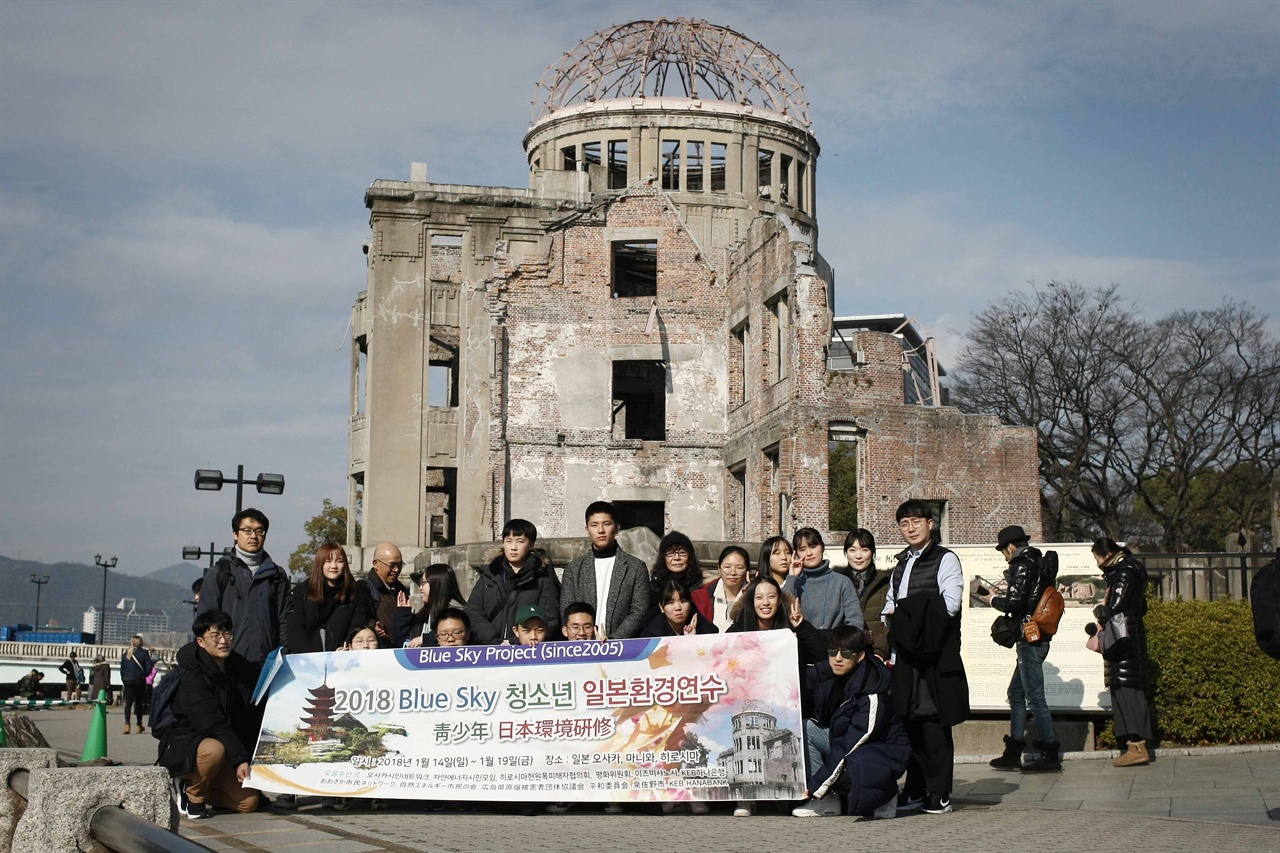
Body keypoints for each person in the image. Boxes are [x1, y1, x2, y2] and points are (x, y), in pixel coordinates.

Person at [882, 500, 970, 815]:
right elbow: (888, 608)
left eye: (916, 521)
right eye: (904, 523)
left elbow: (949, 605)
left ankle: (940, 792)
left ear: (930, 523)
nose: (910, 528)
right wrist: (897, 616)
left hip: (935, 653)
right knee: (909, 722)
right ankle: (916, 787)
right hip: (904, 654)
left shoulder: (946, 559)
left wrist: (904, 614)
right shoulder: (901, 564)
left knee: (934, 724)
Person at [792, 626, 911, 819]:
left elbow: (853, 742)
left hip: (882, 753)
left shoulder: (872, 690)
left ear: (861, 656)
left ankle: (887, 796)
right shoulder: (827, 674)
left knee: (851, 763)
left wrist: (815, 785)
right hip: (853, 743)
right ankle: (828, 800)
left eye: (846, 653)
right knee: (807, 729)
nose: (838, 658)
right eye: (833, 652)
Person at [158, 610, 262, 818]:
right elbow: (211, 724)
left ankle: (204, 787)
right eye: (215, 636)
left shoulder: (238, 670)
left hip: (223, 747)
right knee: (213, 749)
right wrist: (240, 758)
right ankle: (192, 793)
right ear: (201, 641)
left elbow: (245, 717)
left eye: (227, 634)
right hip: (189, 745)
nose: (223, 641)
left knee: (249, 802)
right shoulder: (192, 677)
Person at [979, 525, 1060, 773]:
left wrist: (990, 599)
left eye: (1004, 551)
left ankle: (1049, 754)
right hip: (1037, 635)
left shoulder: (1021, 564)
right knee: (1016, 694)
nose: (1005, 556)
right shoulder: (1039, 562)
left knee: (1035, 698)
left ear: (1011, 547)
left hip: (1029, 637)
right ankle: (1013, 751)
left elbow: (1015, 602)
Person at [197, 508, 291, 664]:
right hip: (226, 664)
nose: (253, 536)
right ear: (235, 534)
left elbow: (284, 621)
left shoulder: (276, 576)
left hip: (266, 664)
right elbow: (206, 621)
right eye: (247, 530)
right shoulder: (220, 573)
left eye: (259, 531)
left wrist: (284, 655)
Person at [1091, 538, 1154, 767]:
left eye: (1098, 557)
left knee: (1127, 690)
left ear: (1107, 554)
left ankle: (1138, 747)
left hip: (1123, 637)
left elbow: (1116, 607)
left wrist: (1101, 611)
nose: (1098, 563)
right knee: (1123, 688)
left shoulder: (1125, 571)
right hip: (1129, 634)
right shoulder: (1127, 570)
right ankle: (1132, 746)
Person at [560, 501, 649, 639]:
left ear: (617, 527)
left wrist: (613, 640)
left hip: (620, 647)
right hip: (582, 645)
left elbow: (639, 611)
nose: (601, 530)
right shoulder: (574, 569)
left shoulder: (636, 567)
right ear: (587, 529)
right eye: (594, 525)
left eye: (606, 524)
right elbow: (567, 610)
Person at [467, 519, 561, 644]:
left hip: (526, 651)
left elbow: (550, 620)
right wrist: (494, 642)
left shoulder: (541, 579)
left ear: (531, 544)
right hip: (490, 650)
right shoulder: (490, 575)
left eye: (520, 541)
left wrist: (513, 641)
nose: (513, 547)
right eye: (509, 541)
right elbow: (473, 613)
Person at [286, 543, 373, 654]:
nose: (334, 566)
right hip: (307, 659)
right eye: (328, 561)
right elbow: (295, 631)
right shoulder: (302, 592)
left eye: (339, 561)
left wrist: (343, 650)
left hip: (342, 658)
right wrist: (315, 657)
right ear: (320, 563)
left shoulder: (355, 593)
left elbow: (356, 629)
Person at [783, 528, 863, 631]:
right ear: (796, 554)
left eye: (813, 546)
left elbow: (855, 622)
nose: (809, 553)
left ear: (822, 547)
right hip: (802, 644)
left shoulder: (842, 582)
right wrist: (792, 577)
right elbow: (783, 615)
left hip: (836, 645)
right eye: (802, 549)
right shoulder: (794, 583)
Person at [845, 529, 891, 659]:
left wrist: (880, 652)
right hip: (846, 655)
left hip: (877, 655)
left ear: (873, 553)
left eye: (864, 550)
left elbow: (891, 622)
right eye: (852, 550)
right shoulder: (838, 581)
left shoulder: (886, 583)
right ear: (846, 553)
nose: (858, 556)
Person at [403, 564, 467, 647]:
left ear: (437, 583)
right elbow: (407, 639)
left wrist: (425, 639)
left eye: (424, 583)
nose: (420, 588)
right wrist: (403, 614)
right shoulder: (425, 613)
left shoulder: (456, 612)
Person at [363, 541, 410, 647]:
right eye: (392, 565)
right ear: (376, 564)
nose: (396, 570)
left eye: (400, 565)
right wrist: (373, 626)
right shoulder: (362, 588)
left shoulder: (402, 590)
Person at [692, 546, 750, 631]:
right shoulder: (701, 596)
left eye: (739, 568)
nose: (733, 572)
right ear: (719, 569)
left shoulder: (755, 597)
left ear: (747, 570)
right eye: (727, 567)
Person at [649, 531, 704, 610]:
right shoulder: (654, 586)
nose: (677, 558)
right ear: (663, 558)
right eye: (670, 553)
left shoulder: (700, 583)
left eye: (682, 553)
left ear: (690, 557)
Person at [642, 581, 719, 637]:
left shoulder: (707, 631)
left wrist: (694, 641)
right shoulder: (651, 636)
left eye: (683, 601)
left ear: (690, 604)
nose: (678, 608)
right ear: (661, 607)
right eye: (670, 603)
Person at [120, 634, 154, 734]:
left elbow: (122, 669)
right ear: (141, 643)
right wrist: (144, 674)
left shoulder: (126, 653)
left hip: (127, 680)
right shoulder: (143, 653)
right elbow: (149, 667)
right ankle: (139, 725)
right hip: (139, 680)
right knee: (139, 703)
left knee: (128, 704)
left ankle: (127, 724)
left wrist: (124, 679)